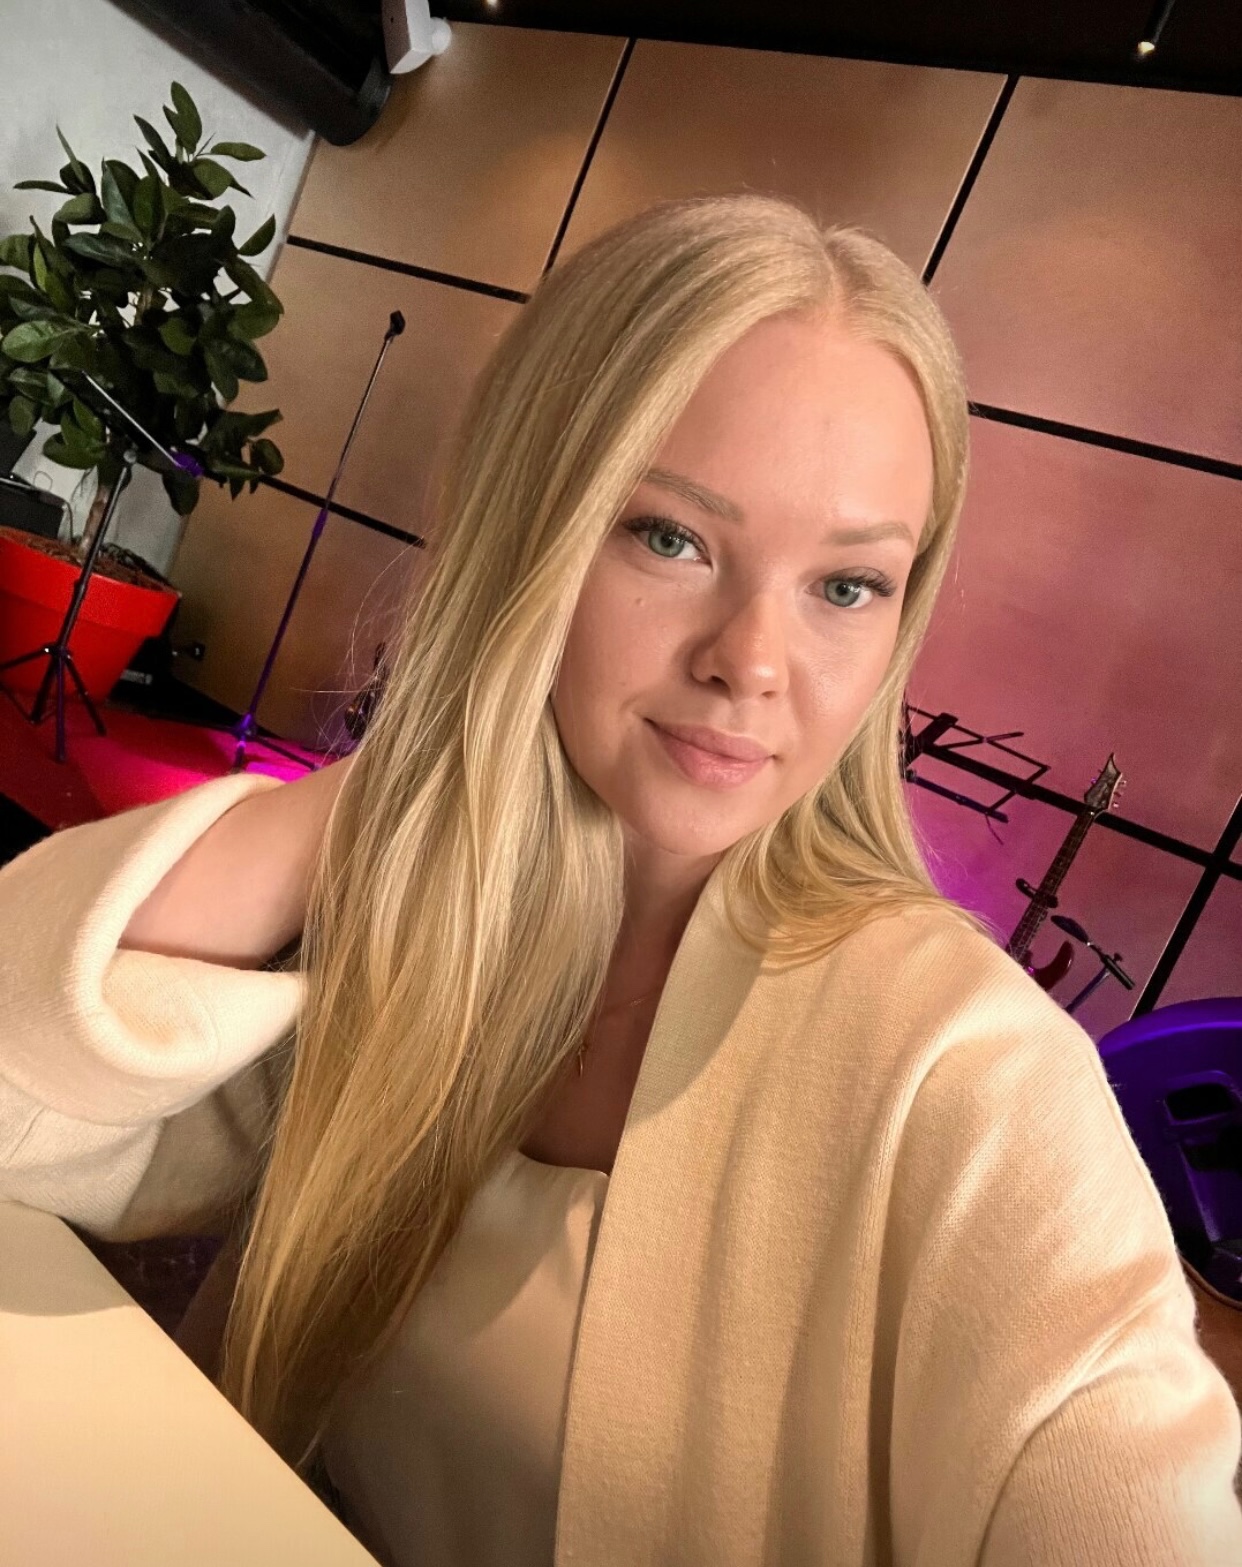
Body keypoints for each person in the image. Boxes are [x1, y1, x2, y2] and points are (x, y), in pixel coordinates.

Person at [2, 192, 1240, 1567]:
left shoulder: (972, 1077)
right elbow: (20, 1105)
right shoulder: (438, 914)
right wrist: (404, 794)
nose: (751, 662)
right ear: (525, 527)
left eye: (846, 586)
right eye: (671, 537)